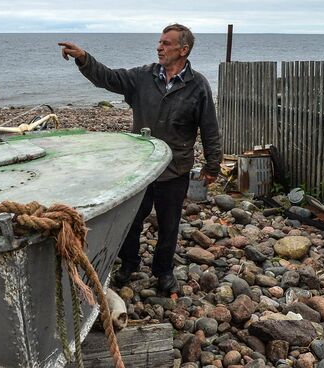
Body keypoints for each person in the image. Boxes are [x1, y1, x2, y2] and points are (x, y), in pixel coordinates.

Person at [59, 24, 221, 292]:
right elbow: (107, 78)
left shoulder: (198, 85)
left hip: (175, 169)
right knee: (131, 221)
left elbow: (209, 127)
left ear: (184, 50)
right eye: (159, 42)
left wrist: (213, 164)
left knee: (169, 226)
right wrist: (83, 58)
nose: (159, 47)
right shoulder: (142, 77)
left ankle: (163, 272)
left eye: (167, 43)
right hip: (142, 169)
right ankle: (130, 262)